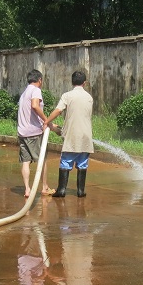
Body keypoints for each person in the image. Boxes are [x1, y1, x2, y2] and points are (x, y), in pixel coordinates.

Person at [45, 69, 94, 198]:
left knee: (66, 161)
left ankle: (61, 190)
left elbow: (58, 110)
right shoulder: (89, 97)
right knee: (82, 163)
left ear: (72, 82)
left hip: (72, 135)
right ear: (84, 83)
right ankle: (80, 191)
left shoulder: (67, 95)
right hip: (86, 135)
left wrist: (47, 121)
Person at [16, 69, 54, 198]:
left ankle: (27, 189)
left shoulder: (24, 93)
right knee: (42, 159)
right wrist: (46, 120)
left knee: (25, 161)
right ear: (40, 80)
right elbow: (35, 105)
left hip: (22, 132)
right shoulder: (36, 90)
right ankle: (45, 187)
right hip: (34, 132)